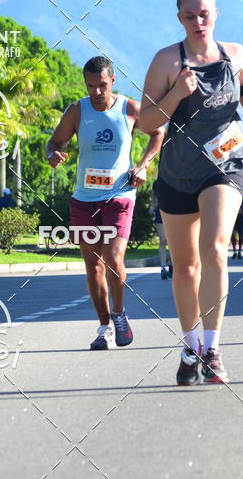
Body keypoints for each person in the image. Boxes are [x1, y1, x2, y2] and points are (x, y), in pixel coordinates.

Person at [138, 0, 243, 386]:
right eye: (191, 15)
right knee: (186, 267)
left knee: (214, 249)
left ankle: (212, 347)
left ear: (216, 13)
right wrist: (175, 93)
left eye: (205, 14)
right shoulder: (166, 61)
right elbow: (145, 122)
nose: (199, 21)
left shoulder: (236, 54)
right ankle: (190, 346)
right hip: (177, 172)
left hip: (225, 166)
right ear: (180, 18)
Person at [46, 56, 164, 350]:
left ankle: (119, 314)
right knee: (93, 266)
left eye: (101, 85)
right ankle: (104, 328)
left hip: (119, 196)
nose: (96, 92)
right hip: (84, 199)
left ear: (112, 81)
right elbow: (54, 142)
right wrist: (53, 154)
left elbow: (158, 132)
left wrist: (144, 164)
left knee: (113, 258)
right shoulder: (77, 111)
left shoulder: (129, 108)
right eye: (90, 86)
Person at [151, 183, 172, 279]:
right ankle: (163, 268)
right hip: (160, 211)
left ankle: (173, 265)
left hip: (175, 212)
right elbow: (154, 195)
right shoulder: (157, 183)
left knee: (172, 241)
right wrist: (152, 206)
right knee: (163, 240)